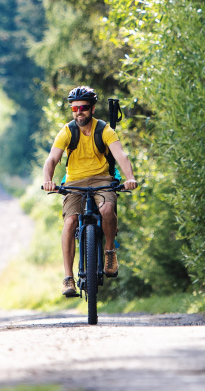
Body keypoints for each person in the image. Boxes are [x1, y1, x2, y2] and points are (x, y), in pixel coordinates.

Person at [41, 86, 138, 297]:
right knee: (70, 222)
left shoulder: (104, 131)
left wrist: (129, 178)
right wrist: (48, 180)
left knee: (107, 210)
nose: (78, 112)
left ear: (92, 109)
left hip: (102, 180)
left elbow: (121, 156)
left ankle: (110, 251)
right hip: (74, 182)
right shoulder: (67, 132)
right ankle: (68, 278)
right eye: (74, 108)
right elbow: (52, 159)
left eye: (83, 108)